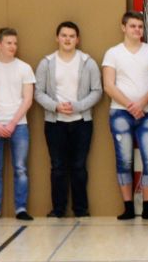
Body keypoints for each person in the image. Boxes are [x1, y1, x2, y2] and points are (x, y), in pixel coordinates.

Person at [34, 21, 101, 218]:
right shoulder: (46, 63)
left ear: (77, 39)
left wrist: (77, 106)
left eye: (72, 36)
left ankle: (81, 209)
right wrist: (55, 106)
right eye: (64, 35)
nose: (67, 39)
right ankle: (58, 209)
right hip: (55, 123)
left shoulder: (88, 62)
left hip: (82, 122)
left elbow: (97, 91)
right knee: (58, 167)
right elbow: (38, 92)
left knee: (79, 167)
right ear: (57, 38)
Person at [102, 11, 148, 220]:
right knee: (124, 159)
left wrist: (141, 104)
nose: (137, 30)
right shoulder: (113, 53)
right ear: (123, 27)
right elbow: (108, 85)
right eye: (133, 26)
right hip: (120, 112)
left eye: (140, 26)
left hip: (146, 113)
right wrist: (130, 105)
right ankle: (128, 206)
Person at [0, 27, 36, 221]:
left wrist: (12, 123)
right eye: (9, 43)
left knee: (20, 168)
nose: (13, 46)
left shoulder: (25, 68)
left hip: (18, 125)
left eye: (15, 43)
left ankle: (21, 208)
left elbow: (27, 100)